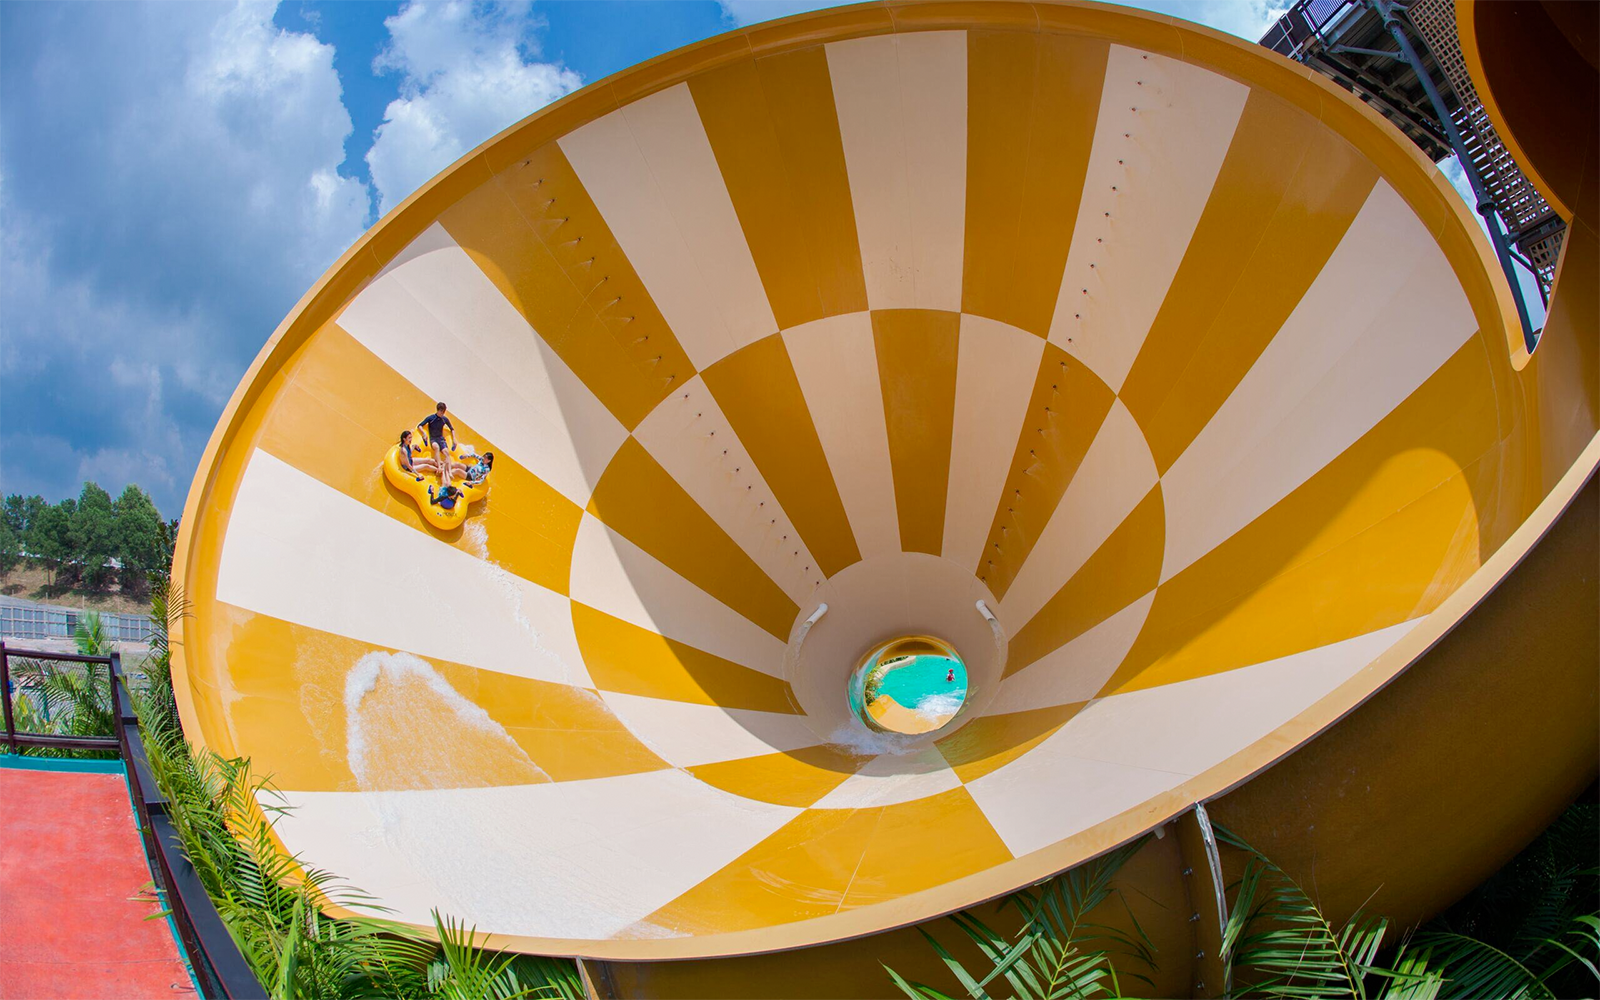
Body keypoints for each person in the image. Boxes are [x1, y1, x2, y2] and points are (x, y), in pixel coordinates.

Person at [417, 402, 455, 477]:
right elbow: (420, 425)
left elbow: (452, 429)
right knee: (436, 447)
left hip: (440, 439)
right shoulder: (431, 418)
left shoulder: (444, 419)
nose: (442, 413)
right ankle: (439, 467)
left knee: (446, 452)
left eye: (444, 412)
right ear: (438, 410)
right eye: (441, 411)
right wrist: (424, 433)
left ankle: (449, 471)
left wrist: (454, 439)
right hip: (433, 439)